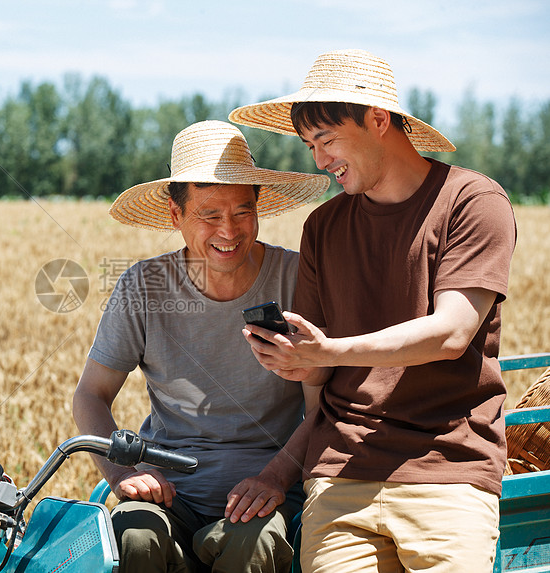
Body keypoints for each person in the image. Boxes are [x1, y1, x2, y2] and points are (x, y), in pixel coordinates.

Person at [227, 49, 518, 572]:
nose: (319, 161)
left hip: (449, 469)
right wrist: (297, 360)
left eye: (327, 139)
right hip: (341, 475)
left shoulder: (473, 201)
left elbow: (451, 332)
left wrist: (331, 349)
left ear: (378, 119)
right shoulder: (324, 226)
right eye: (310, 145)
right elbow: (318, 382)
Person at [73, 120, 330, 573]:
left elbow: (322, 406)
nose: (228, 231)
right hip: (169, 493)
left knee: (252, 547)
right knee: (134, 538)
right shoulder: (144, 286)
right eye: (209, 215)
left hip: (266, 493)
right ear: (176, 216)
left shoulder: (299, 278)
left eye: (243, 212)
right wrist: (123, 475)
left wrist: (276, 477)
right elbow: (90, 396)